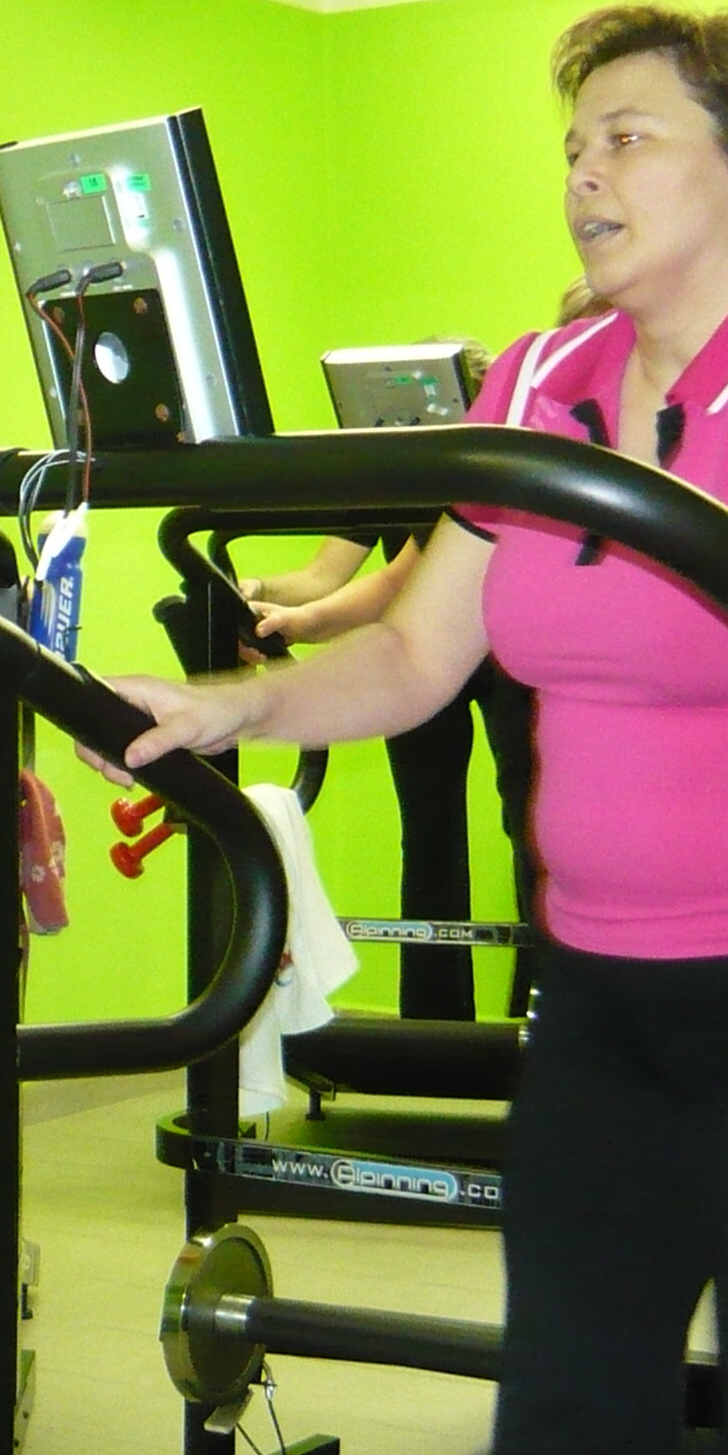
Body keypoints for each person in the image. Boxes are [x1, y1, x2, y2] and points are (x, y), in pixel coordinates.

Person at [83, 5, 728, 1455]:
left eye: (627, 138)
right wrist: (232, 704)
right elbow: (414, 654)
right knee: (573, 1428)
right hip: (598, 993)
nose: (582, 175)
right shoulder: (541, 379)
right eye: (572, 146)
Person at [242, 342, 540, 1020]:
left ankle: (539, 1011)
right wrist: (258, 592)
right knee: (429, 832)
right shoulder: (394, 474)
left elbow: (396, 580)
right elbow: (323, 577)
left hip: (505, 649)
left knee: (530, 825)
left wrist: (302, 621)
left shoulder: (485, 479)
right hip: (419, 652)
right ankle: (434, 1023)